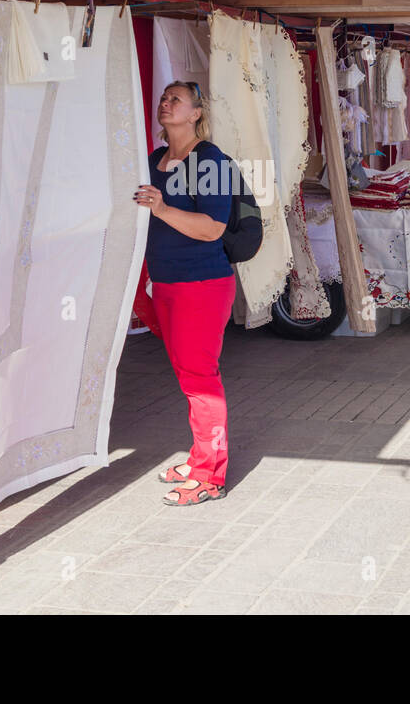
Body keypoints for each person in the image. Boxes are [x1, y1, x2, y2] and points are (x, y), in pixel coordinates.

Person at [134, 81, 235, 506]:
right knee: (187, 376)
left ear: (196, 114)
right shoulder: (156, 159)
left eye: (176, 99)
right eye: (163, 98)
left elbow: (212, 228)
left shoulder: (211, 161)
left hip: (203, 284)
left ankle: (210, 476)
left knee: (200, 379)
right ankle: (199, 459)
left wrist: (161, 209)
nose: (165, 103)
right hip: (168, 283)